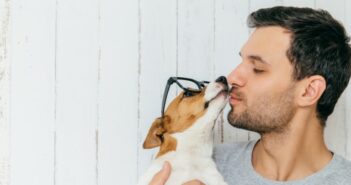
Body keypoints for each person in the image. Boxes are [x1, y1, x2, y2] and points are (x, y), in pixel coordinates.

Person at [148, 6, 351, 185]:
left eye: (257, 68)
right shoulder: (191, 168)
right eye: (242, 62)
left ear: (309, 91)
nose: (232, 77)